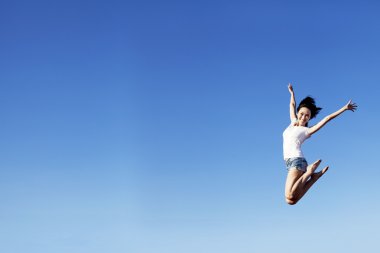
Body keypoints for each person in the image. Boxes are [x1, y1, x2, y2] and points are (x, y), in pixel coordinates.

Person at [283, 83, 357, 205]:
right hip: (289, 162)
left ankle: (309, 172)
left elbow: (327, 118)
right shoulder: (293, 122)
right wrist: (292, 93)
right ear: (298, 113)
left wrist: (344, 108)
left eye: (307, 116)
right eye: (302, 113)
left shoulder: (307, 130)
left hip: (297, 161)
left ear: (309, 118)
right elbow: (292, 105)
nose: (303, 117)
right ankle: (314, 178)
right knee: (291, 200)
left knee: (289, 195)